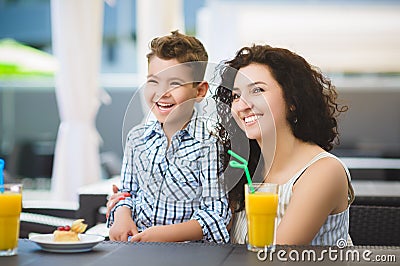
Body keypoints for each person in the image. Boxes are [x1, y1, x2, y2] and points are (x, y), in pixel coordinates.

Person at [213, 44, 355, 245]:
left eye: (257, 90)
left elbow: (277, 258)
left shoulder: (323, 172)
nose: (243, 105)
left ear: (292, 100)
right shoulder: (247, 167)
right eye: (236, 96)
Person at [107, 31, 231, 243]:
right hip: (135, 248)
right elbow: (126, 194)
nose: (161, 92)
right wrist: (121, 215)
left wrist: (160, 235)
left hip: (186, 254)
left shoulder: (211, 143)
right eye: (153, 82)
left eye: (174, 83)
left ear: (199, 91)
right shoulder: (136, 139)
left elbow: (216, 214)